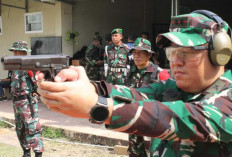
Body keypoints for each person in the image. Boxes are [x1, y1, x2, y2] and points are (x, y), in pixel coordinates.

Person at [37, 10, 232, 156]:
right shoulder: (173, 88)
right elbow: (132, 94)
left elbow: (183, 118)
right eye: (172, 53)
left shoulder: (228, 96)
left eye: (186, 53)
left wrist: (99, 107)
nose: (175, 62)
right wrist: (86, 86)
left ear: (219, 54)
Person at [126, 37, 170, 157]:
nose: (136, 56)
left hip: (153, 124)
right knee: (135, 153)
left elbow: (169, 102)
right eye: (134, 53)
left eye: (140, 53)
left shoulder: (160, 73)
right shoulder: (130, 73)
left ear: (149, 55)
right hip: (135, 123)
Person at [9, 41, 44, 157]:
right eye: (13, 51)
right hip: (17, 102)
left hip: (27, 102)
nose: (13, 53)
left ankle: (38, 153)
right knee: (20, 129)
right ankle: (26, 153)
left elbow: (38, 83)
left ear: (23, 52)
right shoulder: (14, 66)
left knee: (32, 128)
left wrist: (35, 94)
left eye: (15, 51)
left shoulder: (29, 65)